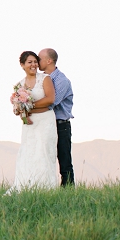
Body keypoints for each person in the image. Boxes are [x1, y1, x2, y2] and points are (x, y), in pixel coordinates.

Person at [6, 51, 58, 194]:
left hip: (45, 121)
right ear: (22, 65)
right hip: (29, 124)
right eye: (30, 62)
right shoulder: (19, 85)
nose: (34, 65)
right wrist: (20, 109)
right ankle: (27, 186)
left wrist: (28, 105)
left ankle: (47, 188)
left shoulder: (45, 79)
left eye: (35, 61)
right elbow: (17, 110)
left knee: (44, 153)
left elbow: (50, 100)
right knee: (28, 153)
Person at [37, 48, 75, 187]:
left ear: (49, 60)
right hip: (46, 124)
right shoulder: (40, 79)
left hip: (60, 125)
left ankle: (69, 190)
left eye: (39, 58)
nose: (37, 61)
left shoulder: (61, 80)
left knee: (64, 160)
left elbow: (51, 103)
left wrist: (28, 107)